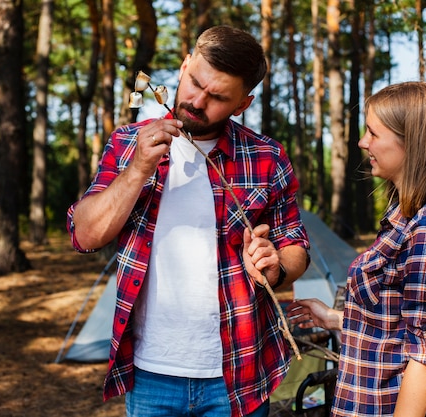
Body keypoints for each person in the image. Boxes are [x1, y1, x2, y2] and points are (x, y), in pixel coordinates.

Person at [67, 25, 310, 417]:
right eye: (194, 82)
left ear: (242, 104)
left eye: (217, 97)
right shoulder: (127, 143)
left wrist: (276, 266)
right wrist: (138, 170)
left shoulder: (266, 156)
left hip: (240, 370)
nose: (197, 101)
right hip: (151, 373)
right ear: (184, 65)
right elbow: (84, 235)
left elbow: (296, 246)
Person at [287, 82, 426, 417]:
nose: (363, 142)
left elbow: (425, 356)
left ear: (411, 143)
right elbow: (396, 326)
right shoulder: (405, 215)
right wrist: (337, 319)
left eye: (373, 133)